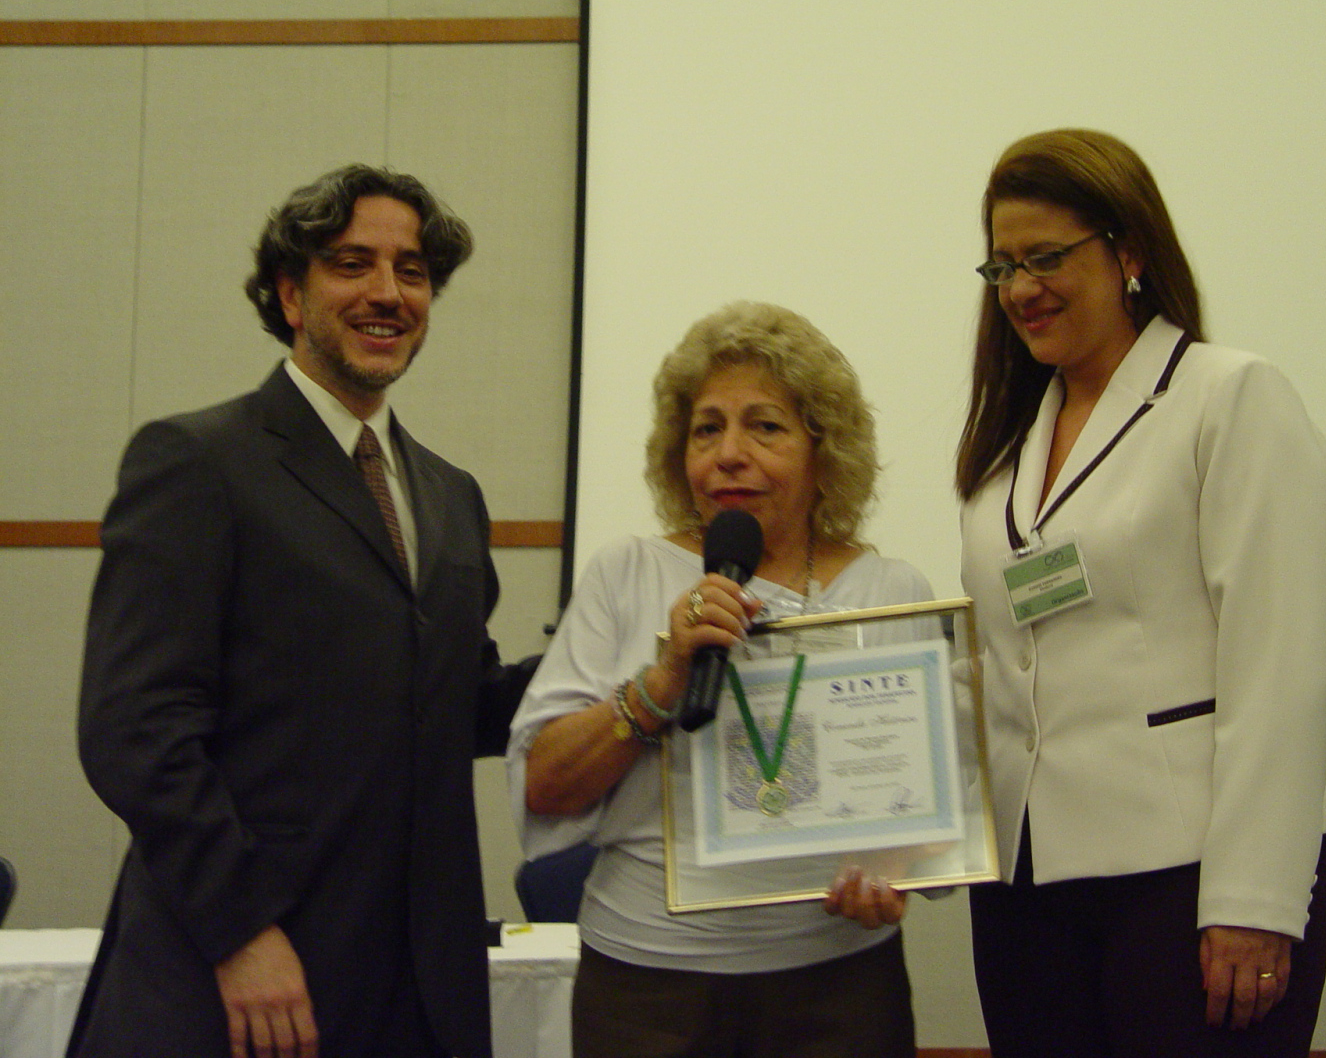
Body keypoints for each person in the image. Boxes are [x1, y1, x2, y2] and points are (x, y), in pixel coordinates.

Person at [72, 165, 535, 1058]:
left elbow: (458, 704)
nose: (387, 292)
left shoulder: (451, 494)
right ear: (290, 294)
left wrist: (631, 667)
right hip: (238, 984)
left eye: (411, 271)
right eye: (352, 264)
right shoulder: (197, 461)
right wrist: (241, 931)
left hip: (415, 990)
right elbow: (134, 731)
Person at [957, 129, 1326, 1056]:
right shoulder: (1005, 450)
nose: (1020, 289)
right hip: (1026, 890)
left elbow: (1279, 665)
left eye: (1046, 258)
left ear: (1128, 252)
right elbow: (996, 670)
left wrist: (1254, 899)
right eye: (1003, 266)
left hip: (1190, 880)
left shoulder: (1229, 396)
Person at [509, 301, 930, 1058]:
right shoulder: (626, 573)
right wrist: (663, 682)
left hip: (838, 983)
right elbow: (545, 786)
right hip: (646, 989)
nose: (729, 454)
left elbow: (935, 807)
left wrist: (900, 867)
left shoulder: (890, 590)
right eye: (707, 430)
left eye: (764, 427)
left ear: (823, 448)